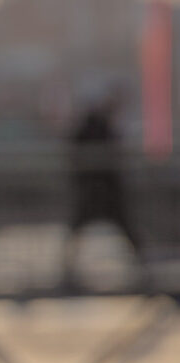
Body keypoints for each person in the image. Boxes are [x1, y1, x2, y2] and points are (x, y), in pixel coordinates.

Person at [65, 92, 140, 285]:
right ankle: (141, 265)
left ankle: (66, 269)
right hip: (103, 189)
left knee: (78, 229)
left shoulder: (89, 126)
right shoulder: (102, 127)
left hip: (92, 189)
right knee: (124, 227)